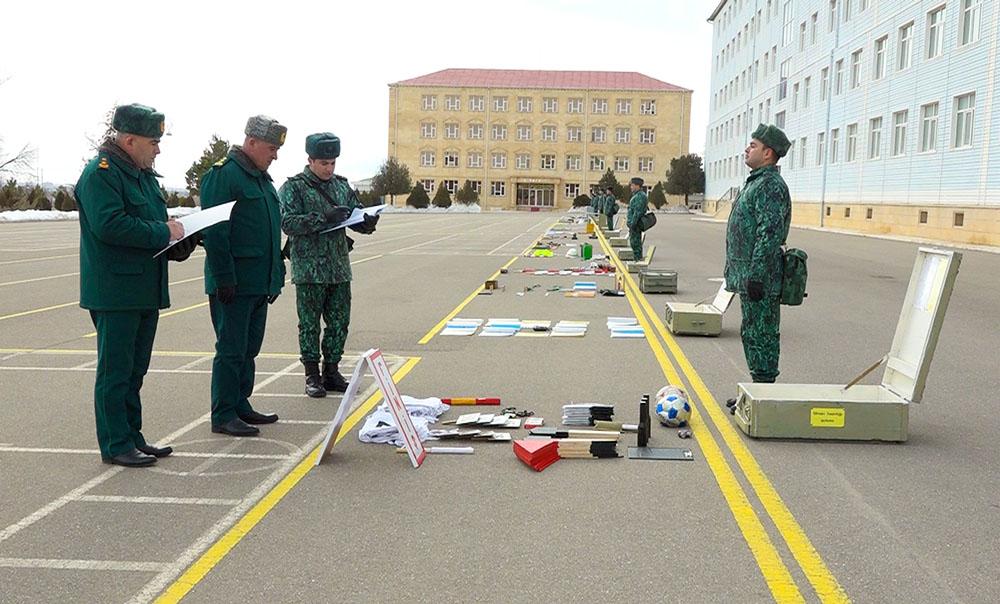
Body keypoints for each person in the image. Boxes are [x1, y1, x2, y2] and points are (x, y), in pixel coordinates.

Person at [75, 103, 197, 467]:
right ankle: (115, 443)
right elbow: (110, 225)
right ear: (129, 140)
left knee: (135, 370)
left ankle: (132, 436)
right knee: (115, 372)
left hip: (144, 288)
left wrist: (180, 238)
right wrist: (164, 231)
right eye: (152, 141)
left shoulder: (142, 175)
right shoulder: (101, 174)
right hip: (116, 292)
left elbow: (152, 229)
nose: (158, 149)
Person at [200, 116, 287, 437]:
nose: (274, 155)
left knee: (249, 348)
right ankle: (223, 413)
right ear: (251, 142)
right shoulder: (224, 176)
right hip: (233, 283)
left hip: (258, 281)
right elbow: (216, 231)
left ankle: (240, 403)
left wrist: (274, 276)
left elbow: (268, 234)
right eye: (271, 148)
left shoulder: (262, 179)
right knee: (231, 349)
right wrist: (224, 277)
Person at [278, 133, 379, 398]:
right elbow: (288, 223)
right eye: (323, 163)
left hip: (338, 267)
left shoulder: (342, 187)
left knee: (339, 322)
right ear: (310, 160)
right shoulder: (294, 188)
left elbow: (354, 214)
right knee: (310, 324)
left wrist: (366, 223)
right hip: (309, 269)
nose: (329, 168)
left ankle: (331, 371)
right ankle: (312, 374)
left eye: (332, 162)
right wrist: (322, 218)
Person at [724, 124, 792, 411]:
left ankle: (764, 395)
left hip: (760, 277)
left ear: (768, 153)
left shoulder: (770, 186)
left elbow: (769, 233)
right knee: (751, 332)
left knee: (762, 334)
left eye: (752, 145)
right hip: (749, 275)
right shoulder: (756, 182)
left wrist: (756, 273)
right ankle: (756, 392)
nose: (747, 149)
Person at [625, 177, 649, 261]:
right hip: (634, 224)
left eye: (632, 185)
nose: (631, 187)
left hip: (635, 225)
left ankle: (638, 261)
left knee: (635, 244)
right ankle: (637, 260)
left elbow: (637, 212)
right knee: (634, 243)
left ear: (637, 186)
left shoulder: (640, 196)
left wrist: (632, 224)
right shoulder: (637, 195)